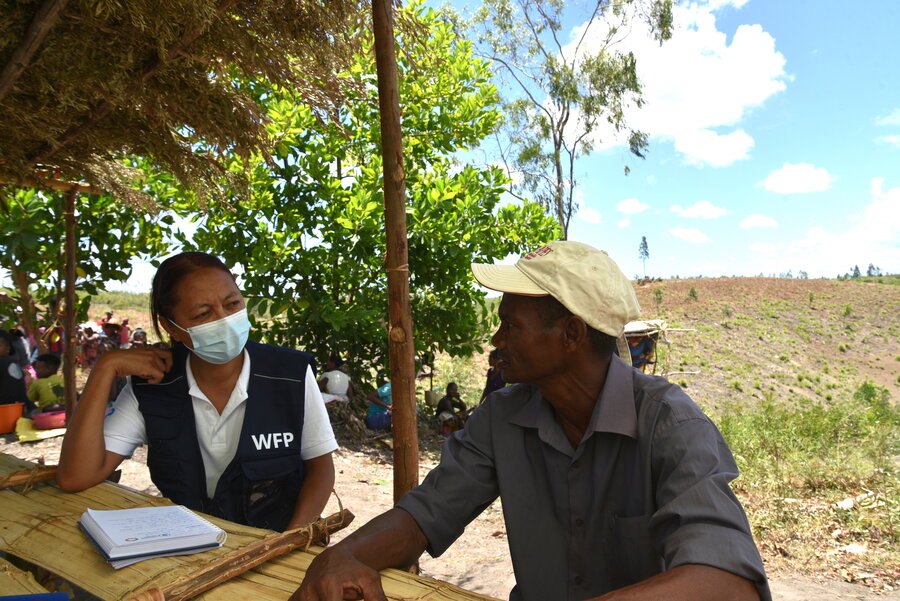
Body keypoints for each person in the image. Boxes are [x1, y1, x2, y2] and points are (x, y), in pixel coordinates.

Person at [292, 241, 770, 601]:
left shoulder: (671, 425)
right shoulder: (503, 417)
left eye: (511, 325)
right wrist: (345, 557)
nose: (496, 339)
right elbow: (426, 514)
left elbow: (729, 582)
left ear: (571, 335)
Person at [57, 251, 337, 532]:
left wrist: (290, 540)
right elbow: (75, 476)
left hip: (273, 543)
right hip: (188, 551)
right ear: (171, 327)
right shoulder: (152, 387)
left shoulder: (290, 374)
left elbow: (320, 468)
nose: (224, 320)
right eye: (204, 314)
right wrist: (105, 369)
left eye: (232, 303)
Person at [0, 330, 30, 408]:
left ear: (8, 348)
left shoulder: (4, 362)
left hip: (5, 409)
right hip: (20, 407)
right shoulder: (12, 362)